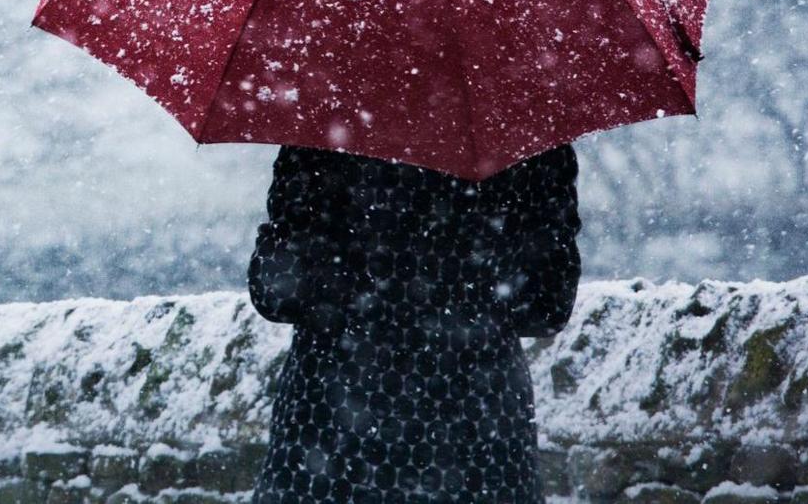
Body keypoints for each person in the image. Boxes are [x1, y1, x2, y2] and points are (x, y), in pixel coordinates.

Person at [247, 142, 581, 504]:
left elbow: (277, 295)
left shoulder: (323, 126)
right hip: (479, 434)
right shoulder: (523, 130)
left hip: (333, 436)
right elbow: (546, 308)